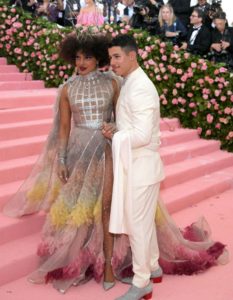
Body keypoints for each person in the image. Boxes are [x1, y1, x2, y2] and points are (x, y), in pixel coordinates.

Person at [104, 34, 228, 300]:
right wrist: (118, 129)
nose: (112, 62)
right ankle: (152, 268)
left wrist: (115, 136)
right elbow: (133, 128)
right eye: (110, 57)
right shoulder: (131, 82)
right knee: (144, 223)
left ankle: (142, 282)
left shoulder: (140, 87)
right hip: (138, 165)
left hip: (141, 167)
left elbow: (143, 136)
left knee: (138, 226)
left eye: (116, 57)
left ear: (132, 56)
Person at [3, 32, 126, 293]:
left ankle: (107, 263)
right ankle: (80, 257)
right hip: (78, 150)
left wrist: (115, 128)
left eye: (88, 57)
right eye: (78, 57)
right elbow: (63, 129)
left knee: (105, 205)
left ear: (99, 58)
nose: (81, 62)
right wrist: (60, 159)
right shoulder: (67, 88)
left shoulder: (113, 83)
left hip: (106, 150)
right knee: (80, 206)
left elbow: (123, 118)